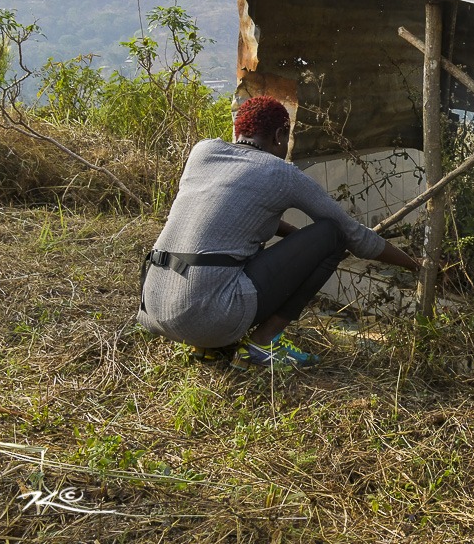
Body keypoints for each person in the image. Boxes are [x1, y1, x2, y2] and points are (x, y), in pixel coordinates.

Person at [136, 95, 420, 369]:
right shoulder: (280, 173)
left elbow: (236, 215)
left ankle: (207, 346)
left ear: (238, 130)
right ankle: (263, 344)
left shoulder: (204, 152)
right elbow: (353, 235)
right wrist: (416, 266)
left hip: (153, 307)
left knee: (224, 252)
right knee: (332, 235)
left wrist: (298, 241)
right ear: (280, 135)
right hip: (206, 316)